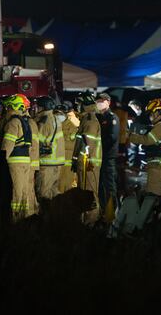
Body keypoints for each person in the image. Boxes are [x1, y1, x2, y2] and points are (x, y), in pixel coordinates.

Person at [0, 94, 40, 220]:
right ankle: (25, 219)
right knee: (24, 193)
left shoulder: (13, 123)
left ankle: (15, 220)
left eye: (8, 107)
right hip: (25, 162)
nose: (6, 110)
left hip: (14, 163)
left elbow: (7, 145)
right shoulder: (26, 122)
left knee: (15, 193)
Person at [72, 93, 102, 223]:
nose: (77, 107)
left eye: (79, 104)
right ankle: (86, 221)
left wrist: (87, 160)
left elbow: (88, 144)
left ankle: (91, 223)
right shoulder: (86, 120)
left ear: (84, 105)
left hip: (88, 164)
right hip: (84, 162)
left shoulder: (90, 121)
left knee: (90, 194)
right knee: (84, 192)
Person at [34, 96, 66, 200]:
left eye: (38, 107)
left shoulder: (44, 120)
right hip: (57, 162)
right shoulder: (55, 118)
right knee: (54, 193)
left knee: (43, 193)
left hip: (47, 163)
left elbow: (37, 139)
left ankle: (45, 215)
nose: (36, 109)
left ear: (43, 107)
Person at [95, 92, 120, 210]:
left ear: (108, 102)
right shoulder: (99, 117)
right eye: (98, 102)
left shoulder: (112, 118)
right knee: (100, 185)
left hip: (108, 156)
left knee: (110, 185)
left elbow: (112, 137)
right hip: (99, 156)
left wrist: (99, 146)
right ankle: (103, 209)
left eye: (102, 102)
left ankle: (112, 210)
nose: (99, 104)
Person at [59, 102, 80, 193]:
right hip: (62, 158)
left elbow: (74, 142)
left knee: (67, 184)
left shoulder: (73, 123)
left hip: (69, 159)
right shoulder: (63, 122)